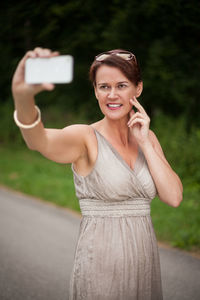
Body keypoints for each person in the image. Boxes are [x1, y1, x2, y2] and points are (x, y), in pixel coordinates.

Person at [12, 47, 183, 300]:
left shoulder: (149, 138)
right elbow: (38, 141)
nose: (112, 95)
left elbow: (174, 197)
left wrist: (146, 143)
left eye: (121, 85)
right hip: (101, 267)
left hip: (144, 263)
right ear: (95, 91)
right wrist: (22, 97)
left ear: (138, 89)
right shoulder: (85, 137)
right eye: (103, 87)